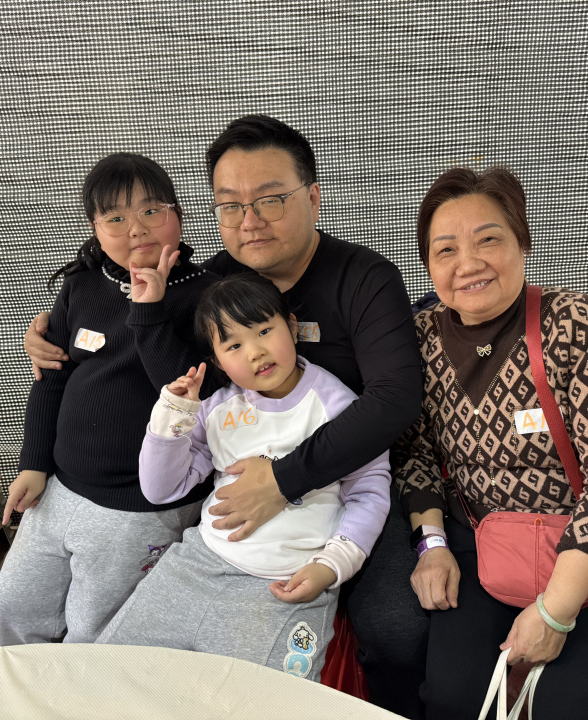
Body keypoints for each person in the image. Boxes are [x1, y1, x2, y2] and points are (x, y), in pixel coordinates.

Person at [24, 116, 428, 718]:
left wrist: (284, 479)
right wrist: (56, 334)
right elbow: (139, 323)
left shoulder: (363, 278)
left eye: (269, 199)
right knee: (133, 662)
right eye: (230, 205)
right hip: (227, 489)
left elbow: (395, 399)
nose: (249, 221)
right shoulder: (214, 283)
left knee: (395, 629)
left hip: (346, 479)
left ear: (313, 197)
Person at [393, 167, 588, 720]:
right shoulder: (420, 340)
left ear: (523, 241)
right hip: (481, 538)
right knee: (452, 698)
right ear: (428, 265)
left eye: (488, 239)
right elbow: (414, 453)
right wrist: (432, 545)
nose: (468, 263)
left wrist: (556, 612)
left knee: (565, 706)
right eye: (445, 249)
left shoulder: (576, 324)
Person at [96, 273, 390, 683]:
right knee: (111, 675)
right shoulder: (217, 408)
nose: (255, 352)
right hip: (197, 565)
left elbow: (369, 493)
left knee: (261, 699)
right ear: (218, 362)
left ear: (292, 326)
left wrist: (331, 566)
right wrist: (173, 416)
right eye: (233, 345)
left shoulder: (339, 405)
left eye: (265, 330)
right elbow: (162, 489)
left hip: (285, 583)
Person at [0, 153, 218, 645]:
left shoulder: (210, 296)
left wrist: (149, 309)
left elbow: (188, 396)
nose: (136, 228)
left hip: (139, 506)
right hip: (62, 486)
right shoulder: (84, 284)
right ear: (95, 229)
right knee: (13, 605)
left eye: (151, 211)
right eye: (115, 218)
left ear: (178, 214)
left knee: (95, 634)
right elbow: (51, 377)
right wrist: (34, 463)